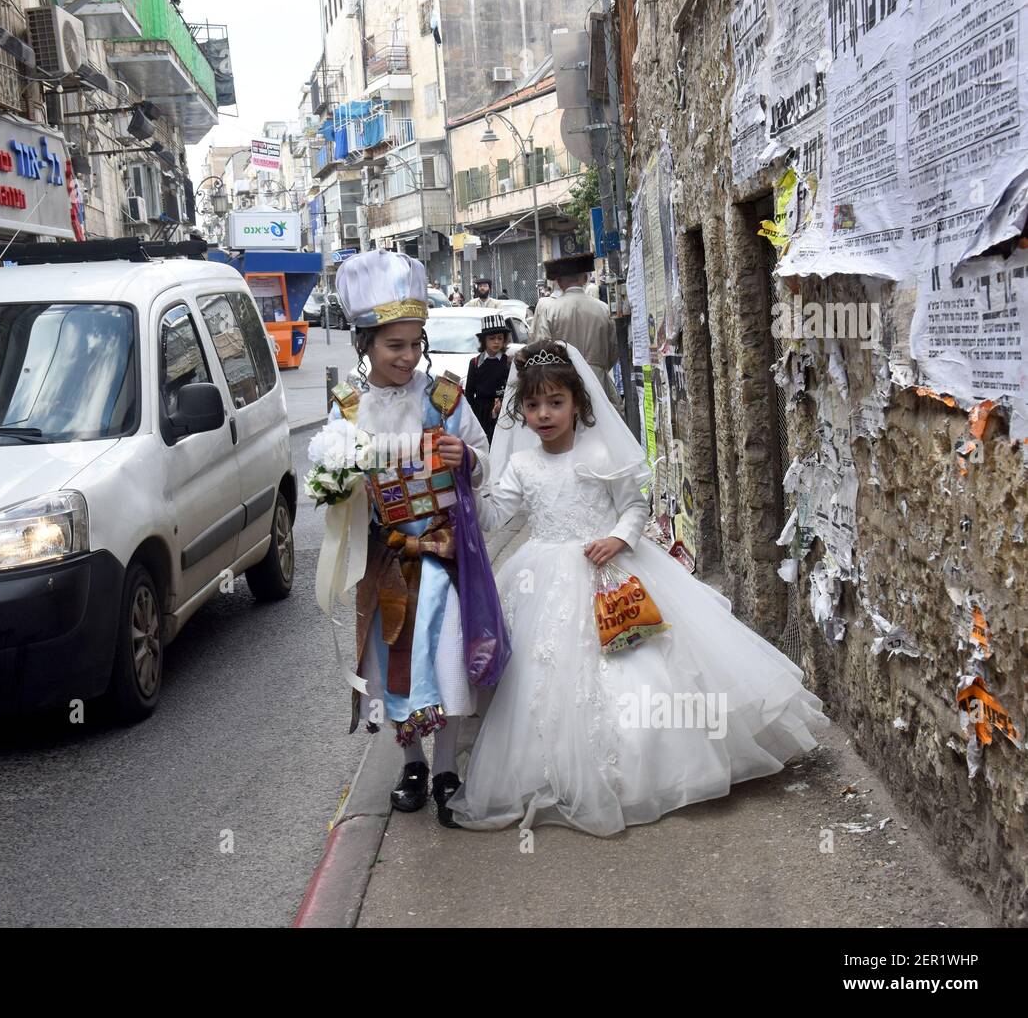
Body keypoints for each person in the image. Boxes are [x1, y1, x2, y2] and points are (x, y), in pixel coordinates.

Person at [448, 340, 830, 835]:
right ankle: (556, 769)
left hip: (610, 569)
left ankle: (648, 767)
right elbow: (495, 516)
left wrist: (617, 537)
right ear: (519, 410)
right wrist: (467, 483)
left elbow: (635, 506)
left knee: (636, 669)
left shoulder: (601, 451)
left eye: (555, 402)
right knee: (541, 675)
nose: (544, 414)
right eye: (533, 404)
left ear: (578, 403)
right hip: (540, 575)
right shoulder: (521, 466)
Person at [317, 250, 499, 828]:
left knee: (443, 661)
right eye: (395, 345)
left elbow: (484, 464)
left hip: (441, 554)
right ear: (365, 345)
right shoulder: (350, 406)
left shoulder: (444, 398)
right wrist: (342, 482)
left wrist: (463, 454)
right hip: (387, 561)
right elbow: (331, 482)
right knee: (392, 663)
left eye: (416, 343)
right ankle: (413, 762)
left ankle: (447, 766)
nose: (408, 356)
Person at [531, 252, 621, 412]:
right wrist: (598, 366)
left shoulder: (550, 310)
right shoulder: (603, 309)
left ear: (559, 282)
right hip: (598, 380)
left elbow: (541, 348)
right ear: (585, 279)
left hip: (562, 382)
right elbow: (614, 350)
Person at [463, 320, 511, 443]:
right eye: (492, 338)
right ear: (484, 340)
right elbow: (469, 391)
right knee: (482, 442)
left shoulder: (508, 362)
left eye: (500, 338)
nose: (496, 342)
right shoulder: (475, 362)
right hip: (480, 410)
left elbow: (511, 388)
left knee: (499, 442)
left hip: (502, 410)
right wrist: (471, 413)